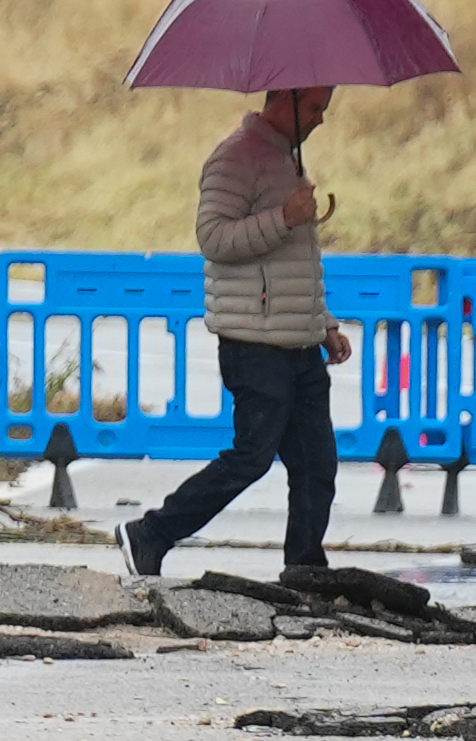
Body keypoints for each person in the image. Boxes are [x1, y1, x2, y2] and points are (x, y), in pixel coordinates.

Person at [119, 85, 353, 578]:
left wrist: (324, 323)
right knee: (251, 456)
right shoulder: (234, 159)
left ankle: (305, 568)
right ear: (285, 100)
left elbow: (297, 265)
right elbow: (213, 238)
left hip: (299, 344)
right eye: (315, 108)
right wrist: (284, 218)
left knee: (317, 464)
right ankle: (150, 533)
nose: (320, 120)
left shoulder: (288, 163)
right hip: (254, 343)